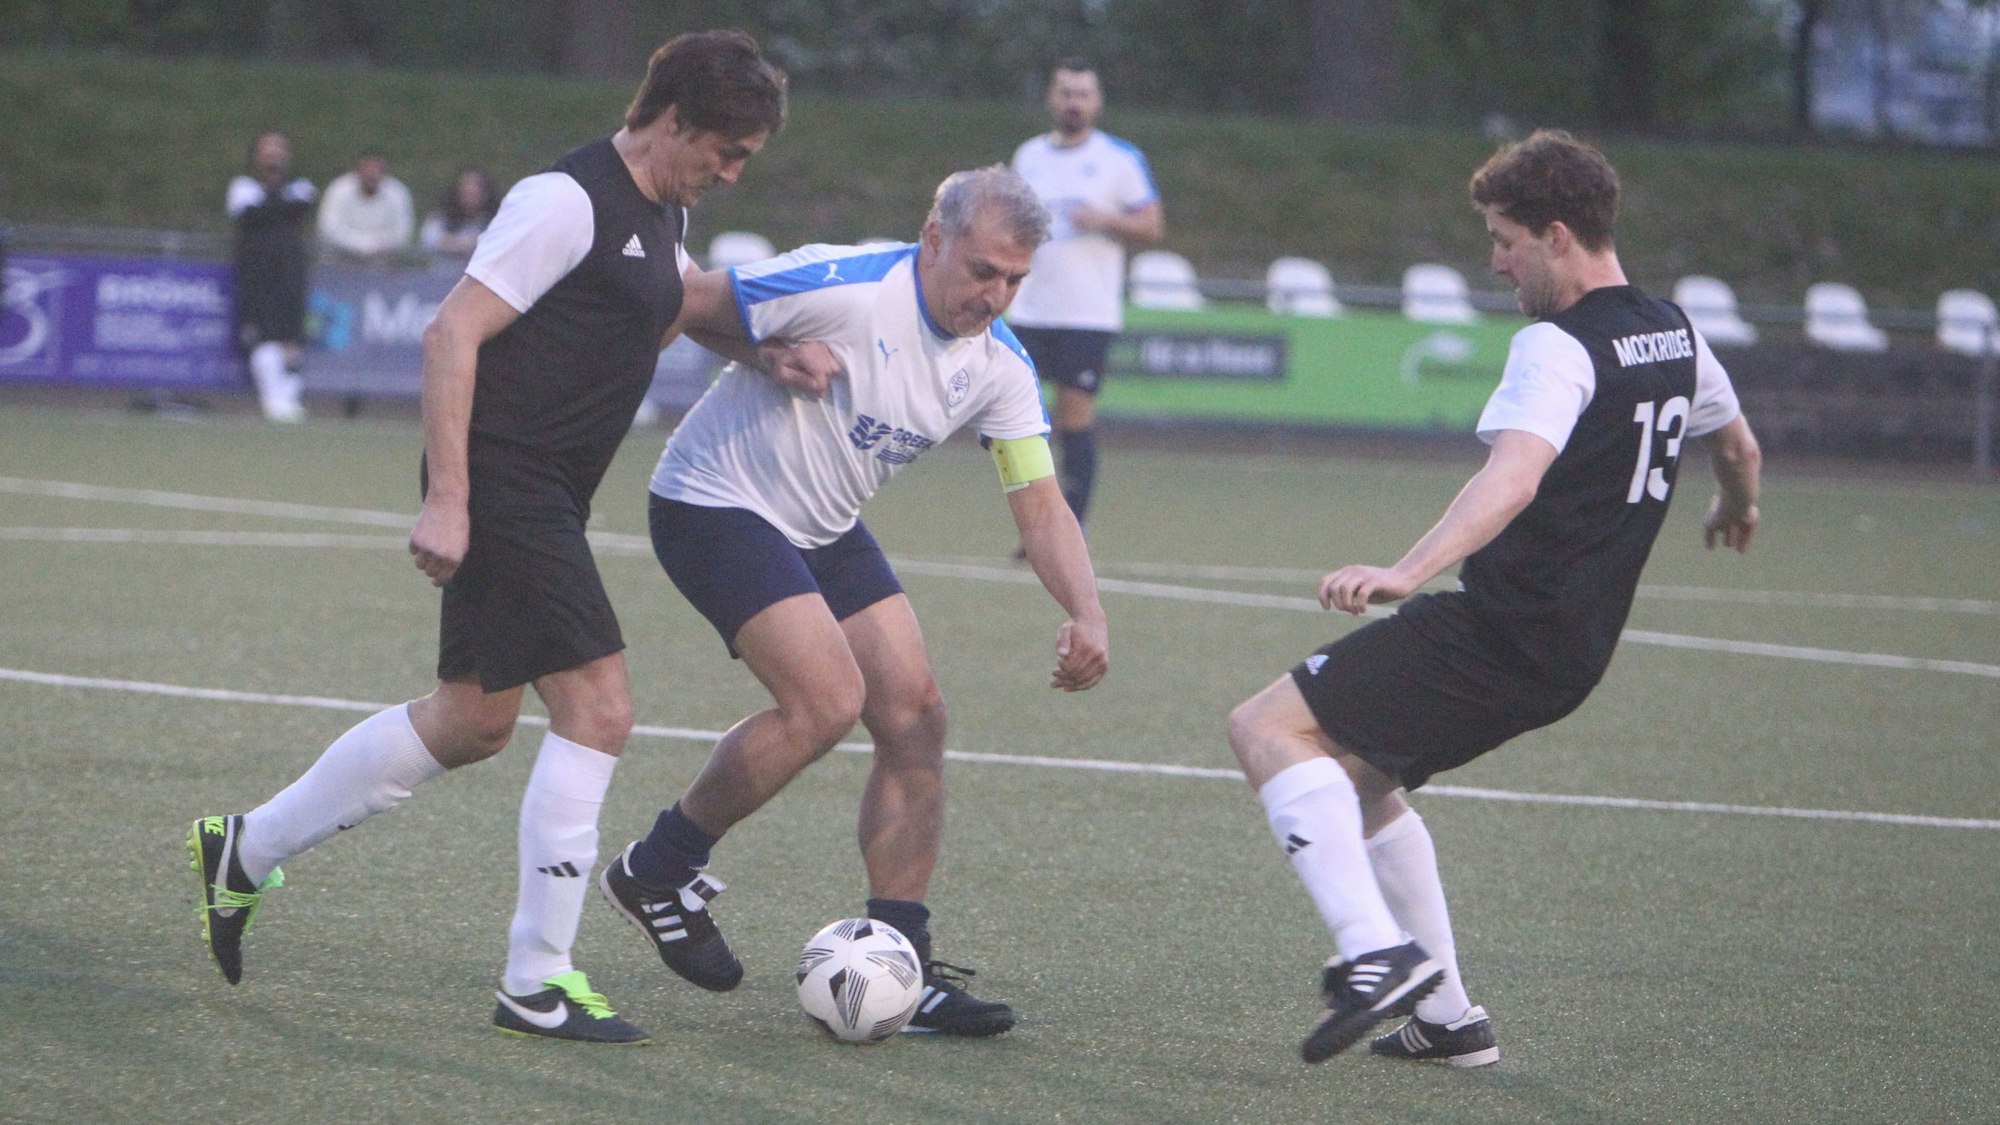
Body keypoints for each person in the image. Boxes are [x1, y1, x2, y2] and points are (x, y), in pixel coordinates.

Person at [188, 30, 789, 1046]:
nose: (730, 174)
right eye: (725, 151)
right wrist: (449, 498)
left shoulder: (664, 207)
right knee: (600, 706)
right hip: (503, 479)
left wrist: (767, 354)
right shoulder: (563, 200)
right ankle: (536, 979)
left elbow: (672, 299)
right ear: (676, 120)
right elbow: (449, 333)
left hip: (548, 488)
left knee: (470, 722)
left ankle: (244, 848)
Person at [1224, 129, 1763, 1066]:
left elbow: (1511, 479)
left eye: (1504, 236)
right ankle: (1449, 1018)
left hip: (1500, 629)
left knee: (1268, 728)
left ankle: (1373, 958)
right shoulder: (1674, 331)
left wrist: (1406, 570)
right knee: (1351, 787)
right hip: (1572, 652)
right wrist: (1736, 505)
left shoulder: (1556, 346)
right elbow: (1741, 447)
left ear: (1557, 235)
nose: (1494, 258)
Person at [596, 166, 1110, 1038]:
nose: (996, 295)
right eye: (984, 271)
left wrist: (1089, 613)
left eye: (1015, 280)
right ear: (934, 236)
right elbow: (681, 298)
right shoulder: (843, 282)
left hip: (824, 525)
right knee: (827, 700)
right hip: (714, 501)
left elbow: (1039, 500)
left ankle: (903, 963)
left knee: (916, 718)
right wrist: (762, 350)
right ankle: (656, 867)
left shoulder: (999, 365)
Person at [1005, 58, 1163, 543]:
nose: (1074, 102)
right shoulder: (1028, 155)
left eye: (1083, 94)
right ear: (1052, 98)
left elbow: (1152, 226)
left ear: (1096, 102)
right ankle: (1033, 527)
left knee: (1074, 420)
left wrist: (1108, 220)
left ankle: (1070, 527)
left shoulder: (1119, 158)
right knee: (1020, 424)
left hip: (1086, 313)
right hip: (1030, 307)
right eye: (1066, 92)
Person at [226, 131, 317, 423]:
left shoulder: (301, 186)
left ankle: (290, 400)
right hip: (256, 275)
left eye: (279, 150)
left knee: (291, 336)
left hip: (291, 273)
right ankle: (273, 401)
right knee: (263, 335)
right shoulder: (242, 187)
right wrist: (277, 208)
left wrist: (272, 208)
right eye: (267, 150)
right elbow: (250, 215)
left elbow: (298, 208)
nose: (273, 156)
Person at [316, 150, 415, 262]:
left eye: (377, 170)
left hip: (383, 263)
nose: (372, 174)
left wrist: (376, 247)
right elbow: (329, 229)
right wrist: (365, 247)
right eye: (368, 171)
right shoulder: (338, 190)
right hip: (339, 259)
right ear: (357, 172)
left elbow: (402, 232)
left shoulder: (398, 193)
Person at [420, 167, 499, 258]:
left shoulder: (496, 222)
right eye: (466, 189)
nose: (470, 191)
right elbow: (429, 240)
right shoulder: (441, 219)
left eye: (475, 190)